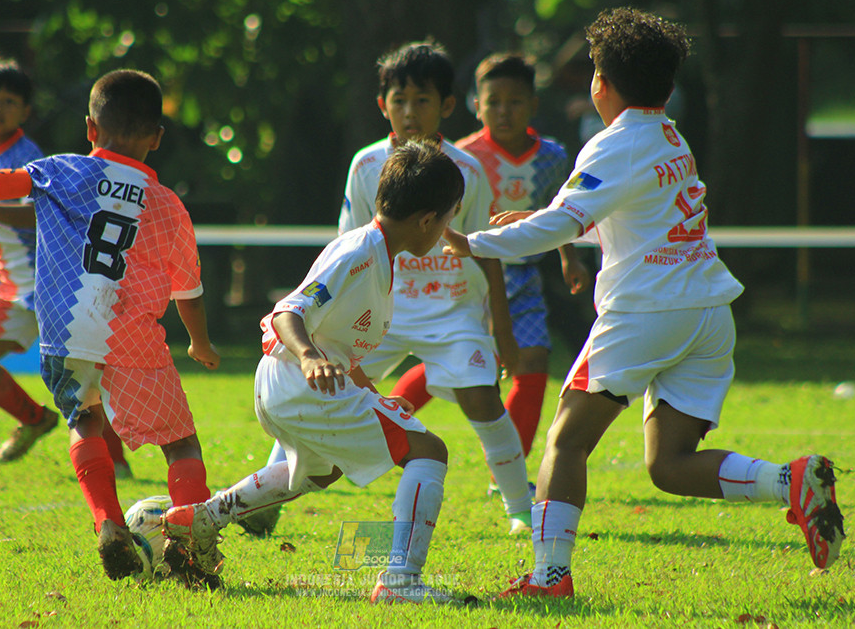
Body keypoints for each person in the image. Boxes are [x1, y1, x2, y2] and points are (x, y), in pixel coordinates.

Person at [443, 7, 845, 599]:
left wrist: (470, 241)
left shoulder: (614, 144)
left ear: (600, 83)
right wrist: (547, 222)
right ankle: (791, 481)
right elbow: (626, 218)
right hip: (707, 313)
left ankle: (549, 576)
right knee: (668, 465)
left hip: (646, 315)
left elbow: (562, 224)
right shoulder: (668, 134)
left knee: (566, 441)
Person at [0, 69, 220, 582]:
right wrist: (200, 343)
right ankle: (191, 551)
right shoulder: (168, 206)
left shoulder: (57, 171)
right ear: (157, 139)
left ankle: (109, 524)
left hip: (64, 332)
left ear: (91, 129)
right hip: (134, 338)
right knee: (181, 445)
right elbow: (189, 291)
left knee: (85, 422)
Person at [162, 142, 474, 605]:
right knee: (429, 452)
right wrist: (308, 356)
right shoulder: (360, 252)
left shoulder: (378, 254)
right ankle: (401, 582)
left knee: (320, 472)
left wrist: (374, 393)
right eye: (449, 217)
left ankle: (203, 520)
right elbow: (289, 311)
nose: (447, 229)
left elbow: (341, 347)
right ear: (427, 219)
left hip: (292, 384)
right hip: (296, 380)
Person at [336, 40, 534, 536]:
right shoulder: (365, 167)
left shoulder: (467, 172)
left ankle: (520, 509)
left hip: (452, 312)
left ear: (447, 106)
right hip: (379, 310)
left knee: (481, 399)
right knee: (329, 388)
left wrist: (502, 331)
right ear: (382, 105)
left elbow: (484, 248)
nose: (408, 112)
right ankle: (271, 492)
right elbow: (347, 250)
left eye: (422, 100)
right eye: (398, 100)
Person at [391, 53, 591, 474]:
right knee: (449, 361)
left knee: (533, 359)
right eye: (493, 101)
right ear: (475, 106)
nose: (504, 111)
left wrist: (569, 257)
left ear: (533, 106)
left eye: (515, 101)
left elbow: (563, 211)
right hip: (467, 274)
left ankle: (510, 470)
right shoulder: (462, 156)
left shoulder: (553, 156)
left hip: (524, 274)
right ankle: (387, 424)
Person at [0, 53, 132, 475]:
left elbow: (38, 212)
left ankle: (114, 462)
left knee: (83, 374)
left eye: (9, 101)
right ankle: (34, 419)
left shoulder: (26, 155)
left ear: (25, 112)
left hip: (54, 281)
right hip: (12, 288)